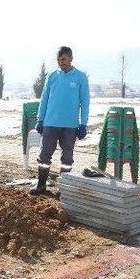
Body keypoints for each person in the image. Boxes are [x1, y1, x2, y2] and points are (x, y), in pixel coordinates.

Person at [30, 46, 90, 195]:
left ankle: (63, 190)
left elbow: (85, 102)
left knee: (67, 158)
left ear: (71, 58)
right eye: (58, 60)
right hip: (50, 123)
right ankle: (41, 185)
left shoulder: (80, 77)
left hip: (70, 126)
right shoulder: (52, 77)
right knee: (44, 156)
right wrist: (40, 119)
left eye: (63, 59)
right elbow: (44, 99)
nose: (60, 62)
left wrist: (83, 123)